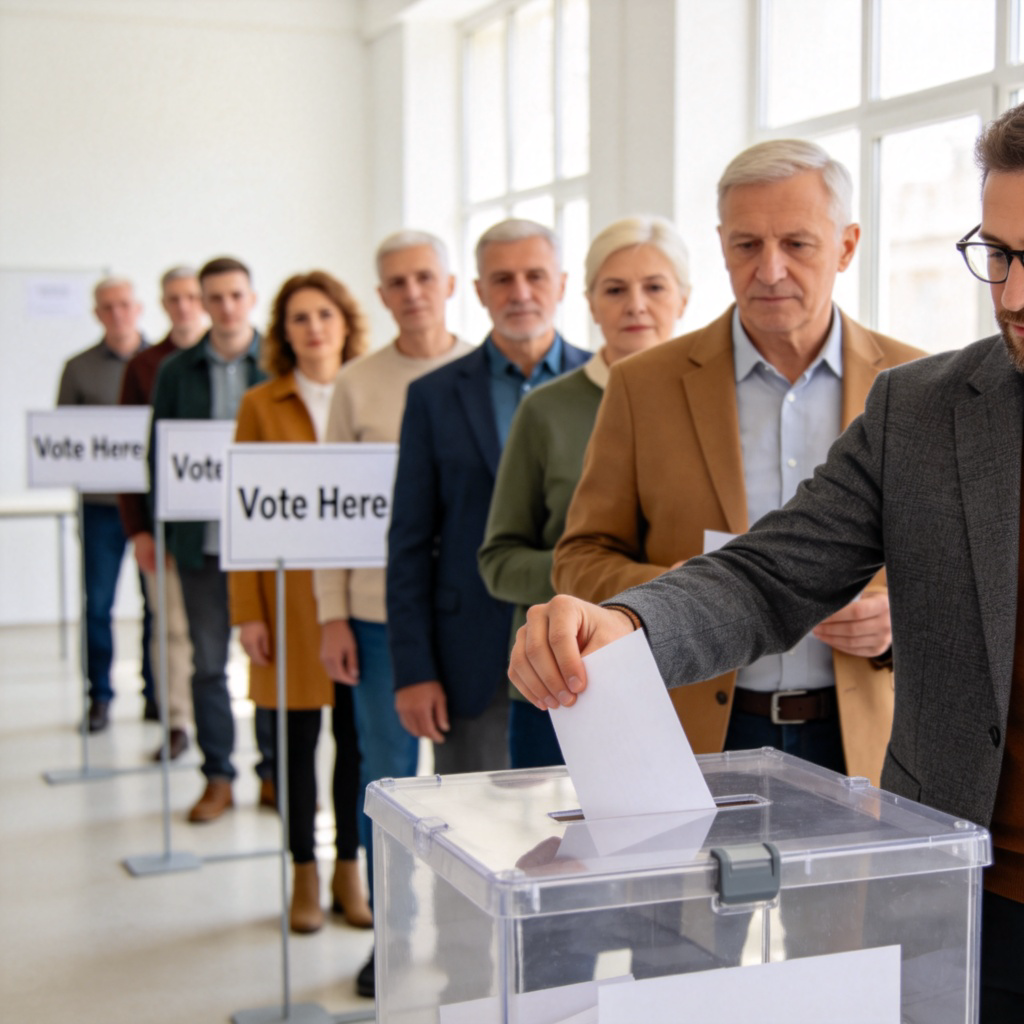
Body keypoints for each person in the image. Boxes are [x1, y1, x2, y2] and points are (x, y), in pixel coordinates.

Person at [509, 103, 1024, 1024]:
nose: (1014, 294)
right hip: (965, 887)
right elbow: (766, 574)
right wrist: (627, 623)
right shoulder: (926, 408)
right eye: (1000, 254)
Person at [552, 140, 923, 786]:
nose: (770, 270)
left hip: (864, 734)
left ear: (847, 245)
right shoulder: (644, 385)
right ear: (721, 245)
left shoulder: (918, 384)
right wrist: (681, 593)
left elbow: (962, 570)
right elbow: (579, 557)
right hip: (692, 731)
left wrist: (898, 620)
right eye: (746, 245)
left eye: (797, 245)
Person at [313, 230, 472, 996]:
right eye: (396, 282)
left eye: (424, 277)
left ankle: (460, 933)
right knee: (388, 777)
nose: (412, 292)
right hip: (376, 615)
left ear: (449, 283)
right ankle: (392, 934)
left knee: (467, 785)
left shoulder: (481, 374)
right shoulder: (357, 383)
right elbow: (331, 511)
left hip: (467, 616)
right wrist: (331, 613)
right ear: (380, 295)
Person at [478, 215, 691, 769]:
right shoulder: (545, 410)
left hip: (690, 674)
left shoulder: (719, 404)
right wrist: (607, 577)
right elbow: (499, 562)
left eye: (655, 287)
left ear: (684, 299)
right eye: (615, 290)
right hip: (565, 676)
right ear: (590, 302)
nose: (635, 305)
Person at [386, 218, 591, 775]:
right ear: (478, 291)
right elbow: (408, 541)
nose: (520, 293)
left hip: (582, 651)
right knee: (473, 836)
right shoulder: (432, 397)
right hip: (465, 658)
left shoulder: (608, 385)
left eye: (534, 276)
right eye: (502, 279)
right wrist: (413, 670)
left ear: (563, 283)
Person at [230, 270, 371, 934]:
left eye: (324, 314)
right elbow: (247, 514)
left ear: (346, 322)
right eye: (299, 318)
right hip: (286, 600)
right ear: (283, 333)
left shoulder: (370, 388)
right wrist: (247, 612)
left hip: (355, 594)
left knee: (355, 739)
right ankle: (303, 875)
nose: (314, 328)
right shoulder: (262, 403)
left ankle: (350, 869)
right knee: (294, 742)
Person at [149, 256, 267, 823]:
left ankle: (273, 773)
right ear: (199, 301)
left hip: (269, 541)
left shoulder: (275, 361)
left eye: (234, 295)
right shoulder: (176, 371)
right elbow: (161, 457)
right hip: (202, 546)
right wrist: (161, 531)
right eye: (213, 297)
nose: (225, 307)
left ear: (251, 297)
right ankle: (218, 775)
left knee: (269, 661)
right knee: (208, 665)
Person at [57, 276, 153, 733]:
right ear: (97, 314)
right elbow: (65, 441)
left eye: (124, 305)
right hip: (100, 507)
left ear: (139, 308)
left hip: (152, 505)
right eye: (107, 307)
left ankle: (156, 695)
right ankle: (99, 696)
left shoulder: (161, 363)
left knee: (157, 606)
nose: (117, 314)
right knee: (98, 604)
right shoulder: (77, 368)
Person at [118, 266, 207, 760]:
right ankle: (177, 720)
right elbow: (135, 455)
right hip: (169, 527)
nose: (184, 306)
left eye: (191, 296)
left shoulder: (239, 358)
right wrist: (140, 530)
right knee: (170, 627)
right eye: (174, 298)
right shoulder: (147, 365)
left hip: (231, 526)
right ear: (163, 304)